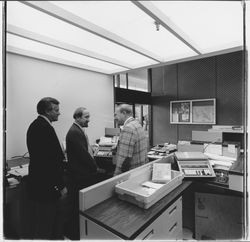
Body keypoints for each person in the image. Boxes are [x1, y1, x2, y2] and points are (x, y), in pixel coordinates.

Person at [26, 97, 67, 240]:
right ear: (47, 111)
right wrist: (60, 186)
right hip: (47, 187)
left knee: (48, 223)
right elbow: (49, 162)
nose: (59, 113)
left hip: (42, 185)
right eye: (56, 110)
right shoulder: (43, 127)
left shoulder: (38, 125)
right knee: (46, 225)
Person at [65, 107, 107, 239]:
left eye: (89, 117)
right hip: (80, 176)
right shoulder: (75, 132)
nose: (89, 120)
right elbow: (84, 155)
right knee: (78, 207)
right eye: (86, 117)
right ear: (77, 118)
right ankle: (76, 234)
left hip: (81, 174)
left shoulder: (78, 130)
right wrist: (96, 168)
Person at [113, 104, 148, 176]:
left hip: (130, 174)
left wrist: (116, 177)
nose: (114, 118)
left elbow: (123, 159)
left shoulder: (128, 128)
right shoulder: (137, 124)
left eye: (116, 115)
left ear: (124, 113)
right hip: (139, 171)